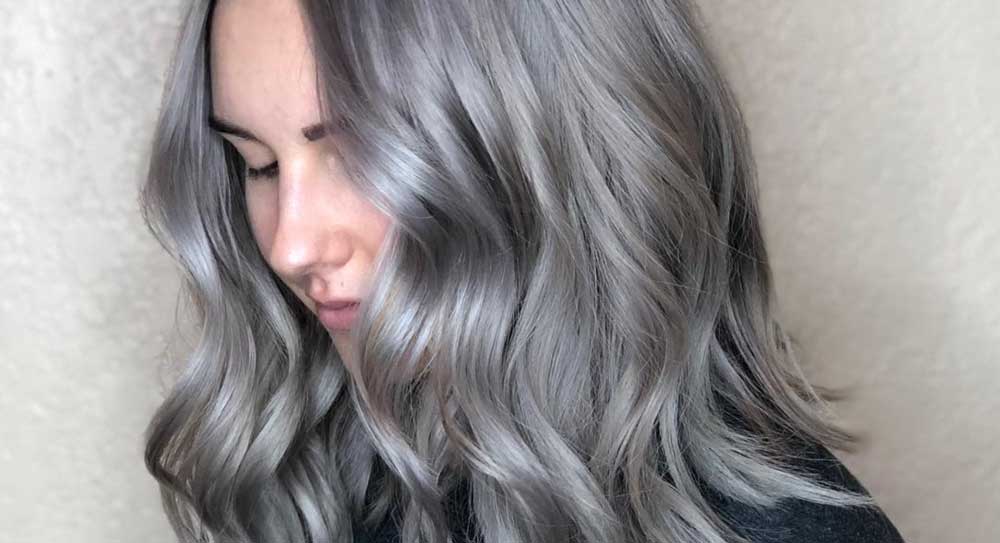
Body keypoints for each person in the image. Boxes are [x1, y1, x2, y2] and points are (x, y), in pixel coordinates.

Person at [139, 1, 906, 542]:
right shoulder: (330, 474)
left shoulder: (784, 532)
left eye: (363, 155)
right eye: (257, 164)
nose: (291, 245)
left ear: (558, 149)